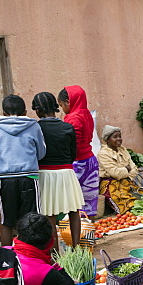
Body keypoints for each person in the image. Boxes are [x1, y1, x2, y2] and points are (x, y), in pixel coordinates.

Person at [0, 95, 46, 246]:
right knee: (31, 220)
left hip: (6, 179)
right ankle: (30, 254)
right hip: (29, 178)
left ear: (4, 112)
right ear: (25, 111)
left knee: (7, 221)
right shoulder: (33, 126)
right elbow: (41, 152)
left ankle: (8, 256)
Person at [33, 92, 83, 247]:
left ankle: (54, 253)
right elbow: (73, 153)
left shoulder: (36, 128)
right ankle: (77, 248)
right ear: (55, 107)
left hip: (44, 174)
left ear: (38, 110)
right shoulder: (67, 127)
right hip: (67, 172)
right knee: (74, 211)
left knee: (50, 215)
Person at [12, 212, 75, 285]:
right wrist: (51, 260)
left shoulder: (5, 252)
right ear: (50, 241)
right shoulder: (43, 271)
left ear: (18, 236)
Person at [58, 86, 99, 218]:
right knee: (90, 199)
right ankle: (89, 233)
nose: (62, 109)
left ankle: (77, 234)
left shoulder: (72, 118)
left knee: (74, 202)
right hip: (91, 161)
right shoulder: (86, 114)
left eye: (61, 105)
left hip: (77, 164)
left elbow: (73, 145)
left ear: (68, 102)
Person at [98, 125, 139, 215]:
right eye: (115, 137)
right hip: (110, 184)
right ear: (107, 139)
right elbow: (115, 173)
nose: (119, 139)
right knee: (124, 202)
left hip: (126, 181)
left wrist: (126, 171)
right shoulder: (103, 153)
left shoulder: (123, 150)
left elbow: (134, 168)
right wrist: (127, 169)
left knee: (140, 197)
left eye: (120, 136)